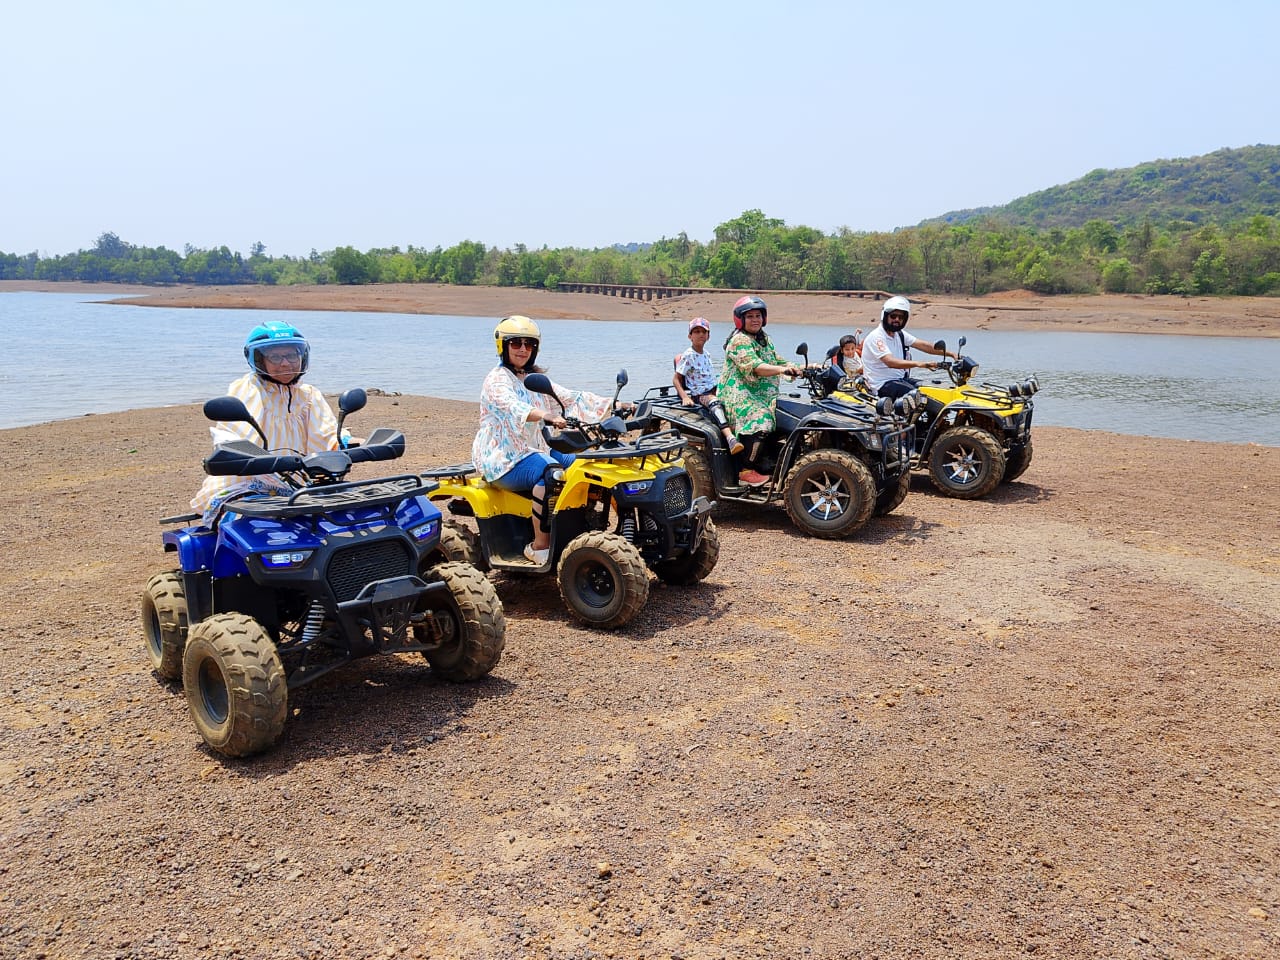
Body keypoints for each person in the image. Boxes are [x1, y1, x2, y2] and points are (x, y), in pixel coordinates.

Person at [473, 315, 634, 565]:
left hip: (537, 447)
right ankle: (540, 546)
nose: (523, 349)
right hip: (504, 457)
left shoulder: (532, 379)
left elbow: (571, 399)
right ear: (503, 346)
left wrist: (617, 406)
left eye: (529, 344)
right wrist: (546, 415)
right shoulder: (496, 381)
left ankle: (587, 525)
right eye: (516, 343)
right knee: (549, 472)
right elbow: (513, 407)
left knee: (584, 463)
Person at [719, 295, 803, 487]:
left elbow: (777, 361)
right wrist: (782, 370)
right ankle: (746, 470)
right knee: (762, 418)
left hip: (761, 394)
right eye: (750, 316)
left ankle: (769, 461)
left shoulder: (764, 339)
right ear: (740, 319)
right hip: (739, 394)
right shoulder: (739, 341)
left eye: (758, 315)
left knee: (788, 414)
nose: (755, 319)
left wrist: (804, 368)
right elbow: (756, 366)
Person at [859, 296, 957, 399]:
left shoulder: (899, 334)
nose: (897, 319)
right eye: (893, 316)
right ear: (885, 316)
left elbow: (924, 346)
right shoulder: (877, 337)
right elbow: (890, 362)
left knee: (933, 390)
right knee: (919, 397)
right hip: (881, 385)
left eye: (900, 317)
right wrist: (920, 364)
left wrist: (951, 354)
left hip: (899, 379)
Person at [673, 317, 744, 455]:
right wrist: (685, 397)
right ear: (690, 336)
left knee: (735, 398)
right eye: (696, 331)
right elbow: (676, 379)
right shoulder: (689, 355)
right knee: (716, 405)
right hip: (701, 394)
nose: (700, 334)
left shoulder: (706, 354)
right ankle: (730, 439)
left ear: (708, 336)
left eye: (704, 332)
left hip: (713, 389)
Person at [819, 331, 863, 396]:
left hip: (860, 377)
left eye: (852, 349)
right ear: (842, 350)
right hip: (853, 380)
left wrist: (857, 333)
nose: (850, 351)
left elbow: (855, 342)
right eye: (847, 350)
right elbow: (860, 370)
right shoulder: (847, 361)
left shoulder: (855, 353)